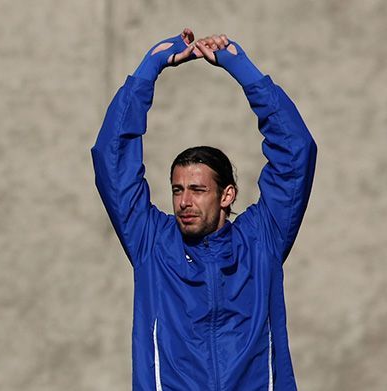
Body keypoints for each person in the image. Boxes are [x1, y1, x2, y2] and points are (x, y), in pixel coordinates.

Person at [91, 28, 316, 390]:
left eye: (198, 190)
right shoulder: (152, 242)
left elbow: (296, 153)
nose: (184, 201)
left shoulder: (262, 239)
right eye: (178, 190)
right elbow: (112, 160)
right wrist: (148, 72)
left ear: (227, 195)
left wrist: (245, 74)